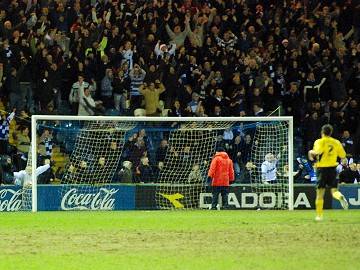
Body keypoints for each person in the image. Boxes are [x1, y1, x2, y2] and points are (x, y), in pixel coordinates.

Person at [308, 124, 349, 221]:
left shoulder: (319, 141)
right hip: (332, 169)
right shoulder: (336, 142)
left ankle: (319, 216)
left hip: (322, 169)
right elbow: (343, 155)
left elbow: (317, 152)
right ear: (330, 133)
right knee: (334, 191)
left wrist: (310, 152)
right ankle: (340, 197)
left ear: (322, 132)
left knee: (320, 194)